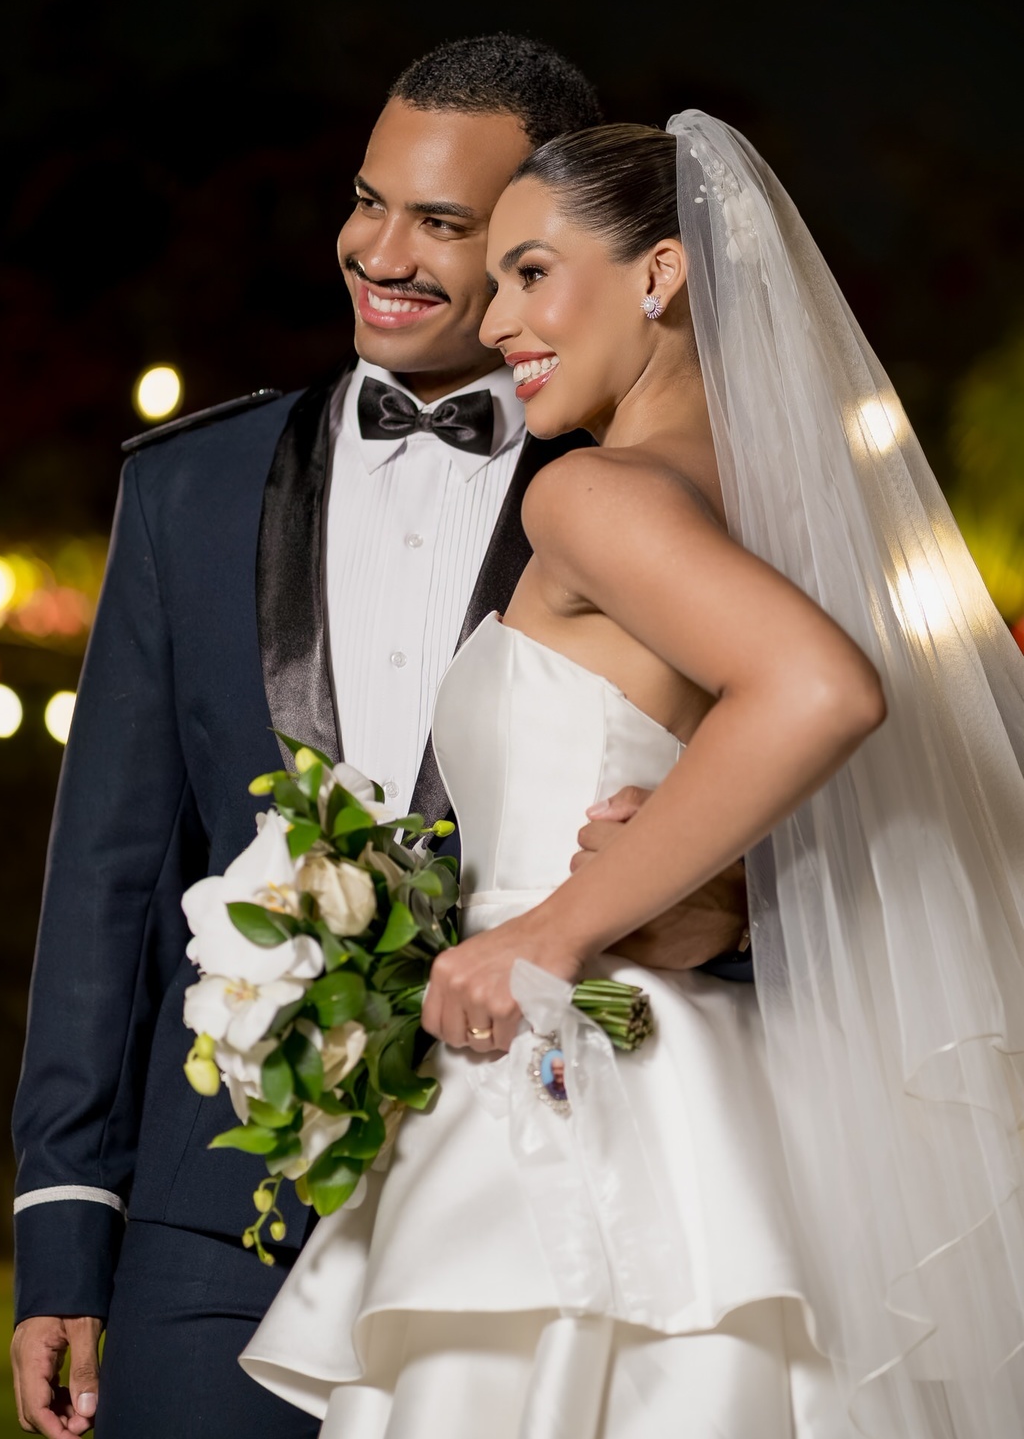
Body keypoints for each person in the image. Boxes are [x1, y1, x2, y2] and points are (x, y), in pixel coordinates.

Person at [241, 116, 1024, 1438]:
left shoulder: (589, 495)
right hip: (733, 1100)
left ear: (660, 273)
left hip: (574, 1078)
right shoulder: (788, 512)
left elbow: (820, 693)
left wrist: (549, 929)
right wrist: (722, 895)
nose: (494, 322)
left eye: (531, 274)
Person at [10, 42, 750, 1438]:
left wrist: (723, 907)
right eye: (367, 201)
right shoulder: (188, 488)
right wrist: (63, 1214)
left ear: (536, 240)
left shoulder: (641, 484)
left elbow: (805, 794)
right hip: (220, 1212)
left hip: (531, 1198)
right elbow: (109, 874)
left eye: (445, 225)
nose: (380, 252)